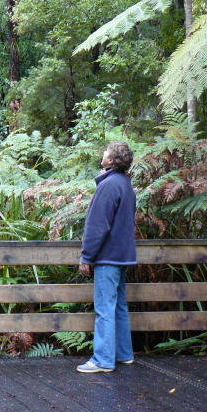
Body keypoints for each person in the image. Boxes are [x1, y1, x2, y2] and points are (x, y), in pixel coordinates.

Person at [76, 141, 137, 373]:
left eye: (105, 152)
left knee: (104, 308)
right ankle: (123, 354)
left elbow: (97, 225)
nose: (102, 155)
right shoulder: (125, 184)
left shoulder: (109, 185)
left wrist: (87, 257)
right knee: (118, 306)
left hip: (108, 257)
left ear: (112, 160)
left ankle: (102, 359)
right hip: (122, 256)